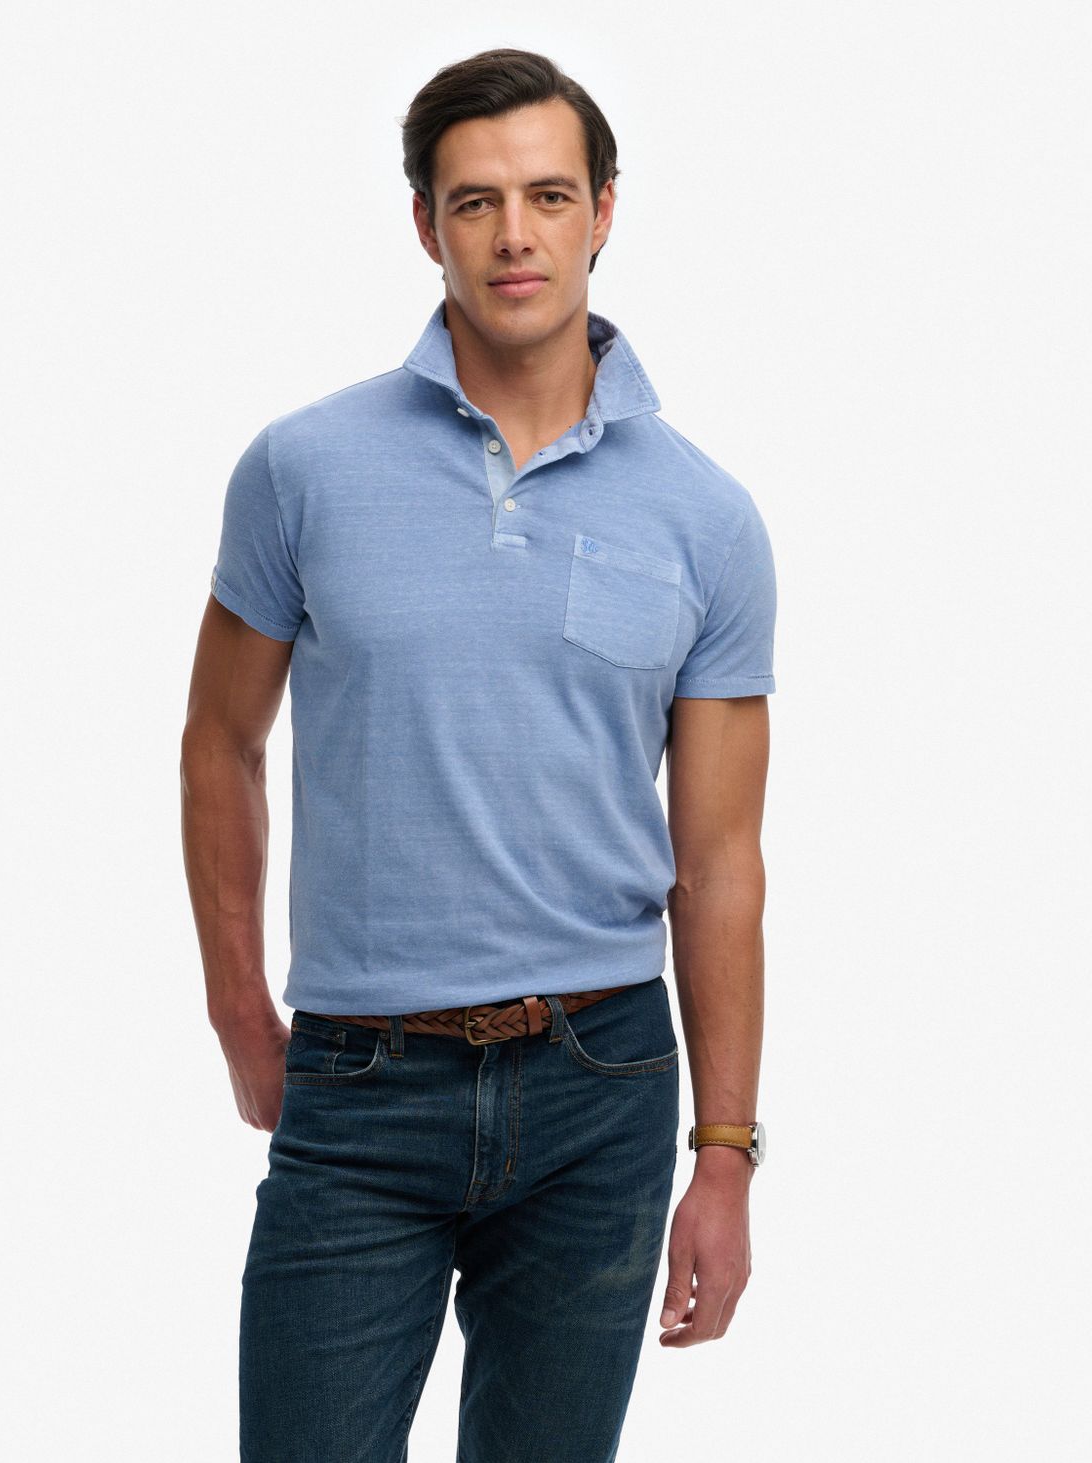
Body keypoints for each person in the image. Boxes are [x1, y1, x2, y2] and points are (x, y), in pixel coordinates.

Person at [181, 46, 776, 1463]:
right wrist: (238, 1014)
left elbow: (719, 862)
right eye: (476, 202)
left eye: (549, 196)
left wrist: (726, 1156)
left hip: (601, 1088)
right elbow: (219, 744)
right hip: (359, 1085)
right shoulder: (302, 470)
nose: (516, 235)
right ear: (425, 224)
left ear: (603, 211)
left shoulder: (707, 518)